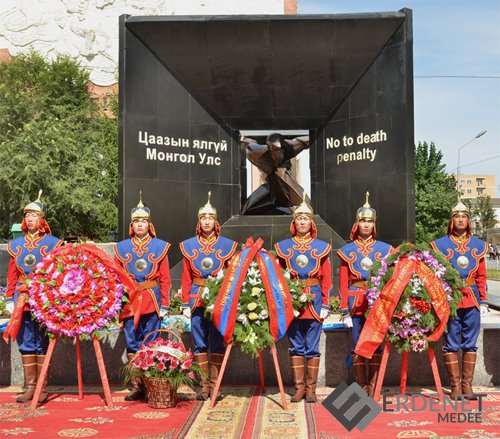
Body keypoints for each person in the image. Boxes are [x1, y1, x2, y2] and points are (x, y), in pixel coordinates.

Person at [4, 191, 63, 403]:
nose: (29, 219)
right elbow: (12, 274)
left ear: (42, 220)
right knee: (25, 341)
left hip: (43, 299)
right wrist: (9, 298)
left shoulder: (53, 243)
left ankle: (42, 388)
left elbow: (59, 273)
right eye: (27, 215)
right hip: (22, 300)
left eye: (34, 215)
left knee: (41, 342)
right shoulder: (16, 245)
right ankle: (30, 387)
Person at [180, 192, 238, 400]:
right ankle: (204, 386)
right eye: (203, 218)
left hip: (219, 300)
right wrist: (186, 303)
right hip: (197, 299)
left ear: (216, 222)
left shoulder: (227, 245)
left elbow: (231, 276)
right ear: (199, 221)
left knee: (217, 340)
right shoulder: (189, 245)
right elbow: (186, 277)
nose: (207, 221)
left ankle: (216, 385)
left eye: (210, 218)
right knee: (200, 343)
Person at [114, 192, 172, 401]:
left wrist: (165, 303)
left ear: (150, 224)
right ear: (132, 224)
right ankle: (137, 386)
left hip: (152, 300)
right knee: (132, 342)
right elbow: (116, 278)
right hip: (130, 301)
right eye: (136, 221)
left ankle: (152, 385)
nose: (140, 225)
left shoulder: (159, 246)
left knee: (152, 341)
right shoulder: (121, 248)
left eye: (143, 221)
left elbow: (165, 277)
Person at [275, 196, 332, 403]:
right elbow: (279, 278)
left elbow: (326, 278)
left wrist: (326, 303)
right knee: (296, 345)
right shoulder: (283, 247)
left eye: (305, 219)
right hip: (292, 302)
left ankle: (311, 389)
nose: (301, 222)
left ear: (311, 222)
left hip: (314, 302)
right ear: (294, 222)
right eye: (298, 218)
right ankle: (298, 388)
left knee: (313, 347)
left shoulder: (321, 247)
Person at [430, 200, 488, 400]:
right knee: (451, 341)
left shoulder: (478, 245)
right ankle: (454, 386)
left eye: (464, 216)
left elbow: (481, 275)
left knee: (470, 343)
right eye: (457, 216)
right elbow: (435, 275)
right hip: (450, 297)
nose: (460, 219)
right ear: (451, 220)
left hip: (471, 296)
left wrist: (484, 300)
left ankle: (467, 386)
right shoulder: (440, 245)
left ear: (468, 220)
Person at [337, 192, 392, 397]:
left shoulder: (385, 249)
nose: (366, 225)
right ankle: (362, 387)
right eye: (363, 221)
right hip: (355, 304)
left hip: (377, 304)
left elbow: (389, 280)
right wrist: (344, 310)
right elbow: (343, 282)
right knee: (358, 343)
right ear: (357, 224)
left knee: (376, 342)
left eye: (370, 221)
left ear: (374, 224)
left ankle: (374, 387)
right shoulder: (347, 250)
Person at [240, 133, 310, 215]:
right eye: (275, 150)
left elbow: (305, 141)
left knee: (300, 201)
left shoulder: (291, 147)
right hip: (271, 180)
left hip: (281, 178)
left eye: (280, 150)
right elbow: (245, 143)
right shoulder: (255, 152)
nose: (277, 153)